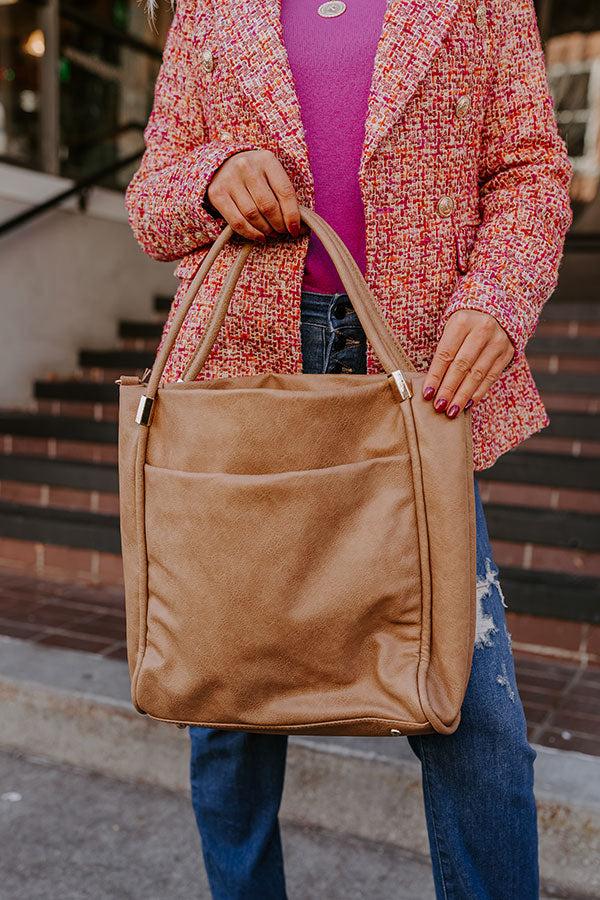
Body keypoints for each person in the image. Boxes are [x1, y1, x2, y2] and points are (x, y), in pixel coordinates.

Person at [126, 0, 573, 896]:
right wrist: (214, 174)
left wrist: (499, 297)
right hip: (244, 377)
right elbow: (151, 202)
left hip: (415, 373)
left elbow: (531, 168)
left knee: (473, 717)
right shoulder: (211, 6)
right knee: (225, 705)